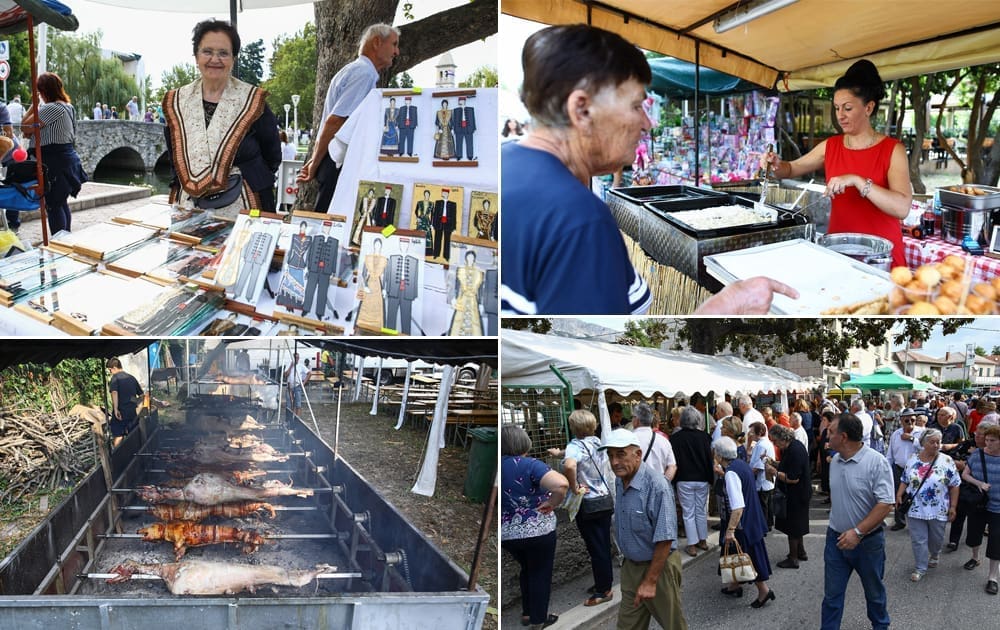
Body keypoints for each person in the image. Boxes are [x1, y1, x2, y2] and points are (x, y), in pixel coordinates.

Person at [501, 23, 799, 316]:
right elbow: (601, 357)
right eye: (635, 106)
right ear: (582, 110)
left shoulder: (507, 164)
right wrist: (724, 307)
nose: (647, 123)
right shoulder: (578, 217)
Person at [761, 59, 911, 269]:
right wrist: (775, 164)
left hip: (881, 257)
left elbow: (902, 208)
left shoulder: (893, 150)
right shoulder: (830, 146)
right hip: (839, 251)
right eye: (837, 108)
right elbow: (791, 168)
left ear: (868, 107)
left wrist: (857, 181)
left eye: (848, 108)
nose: (840, 115)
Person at [163, 20, 281, 218]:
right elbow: (173, 153)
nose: (215, 59)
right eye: (207, 51)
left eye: (223, 53)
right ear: (196, 56)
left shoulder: (252, 100)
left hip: (246, 202)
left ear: (233, 58)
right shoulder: (177, 101)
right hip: (190, 204)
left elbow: (272, 155)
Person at [296, 24, 399, 213]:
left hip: (333, 159)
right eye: (394, 44)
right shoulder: (364, 74)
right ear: (377, 42)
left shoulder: (356, 70)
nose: (396, 51)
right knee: (329, 225)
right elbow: (335, 121)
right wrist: (316, 162)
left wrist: (316, 160)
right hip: (337, 161)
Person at [599, 428, 688, 630]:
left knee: (674, 625)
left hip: (660, 567)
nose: (614, 462)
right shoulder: (620, 481)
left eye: (621, 454)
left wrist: (650, 580)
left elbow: (665, 538)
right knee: (627, 626)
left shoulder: (657, 486)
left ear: (638, 454)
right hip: (631, 567)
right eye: (610, 455)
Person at [821, 413, 894, 630]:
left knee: (874, 595)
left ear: (843, 437)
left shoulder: (876, 462)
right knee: (832, 598)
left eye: (831, 431)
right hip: (835, 539)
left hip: (867, 543)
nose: (827, 434)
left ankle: (881, 627)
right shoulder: (834, 460)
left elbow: (886, 503)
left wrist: (857, 532)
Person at [501, 424, 568, 629]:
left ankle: (528, 613)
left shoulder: (498, 464)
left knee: (527, 569)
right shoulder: (531, 464)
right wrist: (553, 503)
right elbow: (561, 484)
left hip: (508, 534)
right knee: (540, 572)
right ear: (524, 442)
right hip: (538, 529)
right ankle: (539, 620)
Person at [556, 410, 615, 607]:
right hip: (604, 499)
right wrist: (561, 453)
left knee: (595, 547)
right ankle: (604, 580)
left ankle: (604, 590)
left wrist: (574, 487)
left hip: (588, 502)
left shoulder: (574, 445)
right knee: (603, 544)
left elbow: (571, 466)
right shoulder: (598, 442)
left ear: (574, 427)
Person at [21, 72, 87, 234]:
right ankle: (65, 238)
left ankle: (59, 241)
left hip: (54, 161)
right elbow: (29, 130)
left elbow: (24, 127)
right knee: (60, 202)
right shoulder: (68, 107)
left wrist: (33, 105)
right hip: (66, 157)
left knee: (53, 204)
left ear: (44, 91)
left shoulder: (51, 108)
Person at [713, 436, 773, 608]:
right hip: (752, 519)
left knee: (748, 556)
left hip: (742, 523)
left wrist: (730, 529)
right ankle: (735, 585)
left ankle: (764, 590)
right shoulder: (740, 465)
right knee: (736, 553)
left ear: (719, 455)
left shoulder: (731, 472)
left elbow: (738, 506)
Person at [895, 428, 960, 582]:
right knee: (918, 539)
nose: (936, 445)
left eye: (938, 442)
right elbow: (905, 478)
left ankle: (935, 553)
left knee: (936, 538)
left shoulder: (947, 460)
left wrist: (953, 506)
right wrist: (899, 494)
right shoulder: (913, 459)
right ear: (923, 443)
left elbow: (955, 484)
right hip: (916, 507)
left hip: (939, 508)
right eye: (932, 442)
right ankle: (920, 567)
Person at [960, 422, 1000, 594]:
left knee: (996, 541)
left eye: (992, 440)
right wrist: (979, 483)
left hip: (998, 507)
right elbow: (965, 474)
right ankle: (975, 558)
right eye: (987, 439)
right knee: (974, 533)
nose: (987, 443)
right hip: (979, 503)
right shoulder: (977, 455)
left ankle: (993, 577)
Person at [766, 425, 812, 569]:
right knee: (797, 524)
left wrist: (774, 471)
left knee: (792, 525)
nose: (774, 444)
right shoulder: (792, 447)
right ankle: (800, 551)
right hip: (799, 492)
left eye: (775, 441)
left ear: (781, 438)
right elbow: (787, 466)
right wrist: (774, 462)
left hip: (796, 493)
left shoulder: (794, 450)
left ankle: (793, 558)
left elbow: (793, 478)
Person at [671, 407, 714, 558]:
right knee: (700, 511)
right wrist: (711, 478)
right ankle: (702, 540)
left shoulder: (675, 438)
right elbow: (709, 459)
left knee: (688, 513)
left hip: (684, 479)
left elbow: (673, 461)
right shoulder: (705, 437)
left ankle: (692, 544)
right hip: (702, 478)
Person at [888, 411, 924, 531]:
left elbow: (926, 448)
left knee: (916, 495)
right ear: (901, 421)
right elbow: (890, 455)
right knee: (898, 495)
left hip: (917, 469)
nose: (910, 423)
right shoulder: (895, 434)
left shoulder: (921, 432)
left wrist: (912, 439)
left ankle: (918, 521)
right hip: (899, 468)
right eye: (906, 420)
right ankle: (900, 521)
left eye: (912, 420)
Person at [631, 402, 676, 481]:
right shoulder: (663, 440)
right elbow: (672, 466)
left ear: (636, 420)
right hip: (658, 484)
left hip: (635, 485)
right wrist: (664, 484)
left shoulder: (629, 439)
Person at [107, 358, 143, 448]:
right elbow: (142, 395)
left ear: (114, 367)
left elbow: (114, 392)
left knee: (118, 436)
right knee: (133, 436)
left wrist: (115, 409)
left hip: (121, 413)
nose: (110, 372)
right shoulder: (131, 378)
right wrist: (136, 405)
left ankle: (117, 458)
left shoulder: (115, 378)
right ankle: (133, 456)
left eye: (110, 369)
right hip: (132, 413)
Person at [747, 422, 775, 529]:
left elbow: (758, 466)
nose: (750, 435)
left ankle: (764, 526)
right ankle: (768, 524)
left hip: (762, 481)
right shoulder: (760, 443)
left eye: (752, 433)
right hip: (766, 481)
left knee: (763, 505)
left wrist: (748, 475)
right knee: (767, 504)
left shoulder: (762, 445)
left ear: (759, 433)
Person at [284, 352, 308, 418]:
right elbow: (285, 375)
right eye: (295, 358)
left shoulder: (301, 366)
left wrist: (303, 383)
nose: (297, 359)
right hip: (289, 387)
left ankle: (298, 420)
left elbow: (309, 373)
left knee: (298, 404)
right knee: (289, 404)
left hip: (297, 386)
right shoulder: (288, 365)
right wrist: (291, 366)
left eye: (298, 358)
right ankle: (289, 419)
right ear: (293, 358)